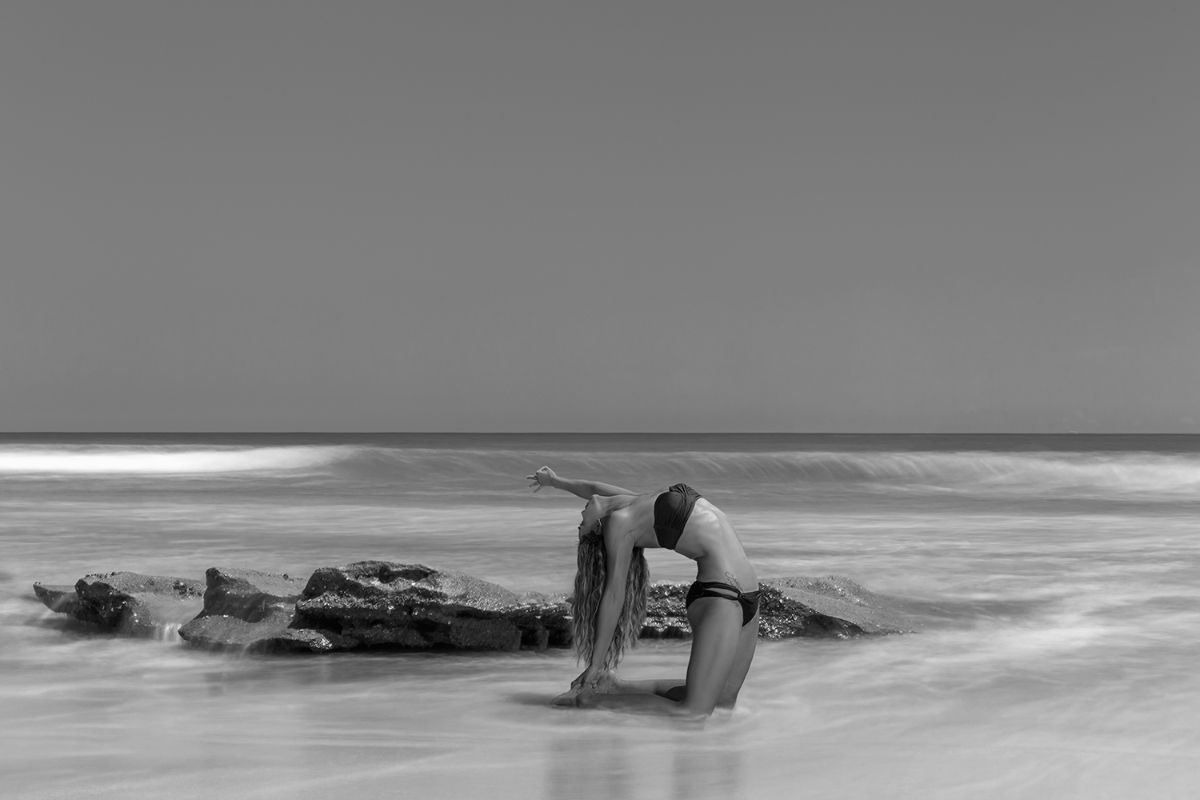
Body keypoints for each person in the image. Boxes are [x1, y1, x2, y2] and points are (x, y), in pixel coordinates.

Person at [527, 466, 759, 718]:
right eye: (582, 529)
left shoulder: (628, 503)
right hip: (719, 597)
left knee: (724, 700)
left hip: (750, 596)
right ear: (599, 529)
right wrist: (594, 666)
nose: (579, 524)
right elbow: (614, 595)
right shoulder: (619, 523)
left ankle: (615, 687)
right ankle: (588, 700)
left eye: (579, 527)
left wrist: (556, 481)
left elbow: (592, 489)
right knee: (693, 713)